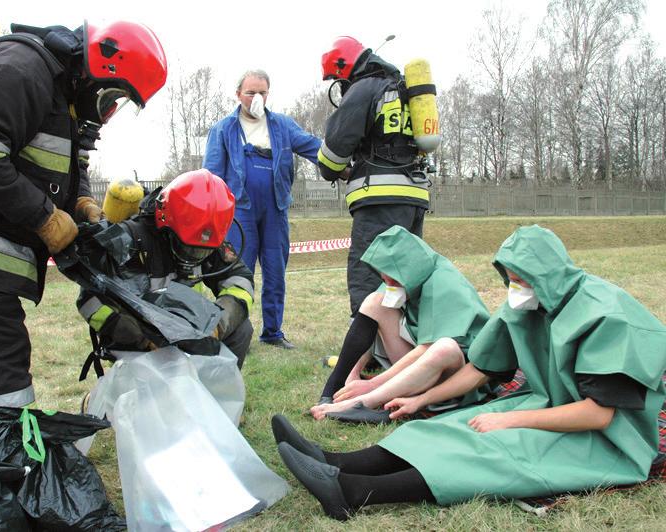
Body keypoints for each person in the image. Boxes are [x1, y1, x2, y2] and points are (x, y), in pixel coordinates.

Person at [272, 225, 666, 521]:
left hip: (607, 438)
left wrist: (509, 419)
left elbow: (598, 414)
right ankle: (335, 460)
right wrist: (421, 399)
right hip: (550, 404)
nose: (513, 290)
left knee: (493, 449)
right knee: (447, 426)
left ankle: (352, 491)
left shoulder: (607, 317)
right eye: (510, 280)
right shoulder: (530, 302)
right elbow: (481, 366)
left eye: (519, 281)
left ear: (544, 277)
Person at [0, 20, 168, 407]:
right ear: (101, 67)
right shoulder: (22, 69)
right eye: (115, 96)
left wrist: (78, 202)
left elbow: (61, 166)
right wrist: (44, 216)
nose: (110, 111)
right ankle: (5, 461)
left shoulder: (64, 95)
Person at [75, 169, 255, 368]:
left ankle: (213, 396)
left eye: (202, 252)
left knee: (242, 329)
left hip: (186, 330)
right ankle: (105, 397)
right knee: (147, 394)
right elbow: (89, 299)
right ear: (165, 224)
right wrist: (142, 338)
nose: (193, 257)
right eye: (188, 248)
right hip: (140, 341)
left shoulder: (203, 234)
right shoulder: (131, 239)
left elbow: (240, 280)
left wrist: (218, 324)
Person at [310, 225, 490, 418]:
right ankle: (335, 385)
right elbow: (368, 320)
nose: (390, 286)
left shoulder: (445, 285)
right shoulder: (404, 273)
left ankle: (363, 403)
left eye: (394, 282)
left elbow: (430, 348)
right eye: (385, 280)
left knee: (445, 347)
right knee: (374, 302)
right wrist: (352, 373)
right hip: (421, 364)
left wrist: (373, 384)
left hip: (458, 373)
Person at [203, 70, 321, 350]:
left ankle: (273, 332)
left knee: (275, 271)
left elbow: (312, 147)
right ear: (238, 94)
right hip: (239, 212)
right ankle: (230, 331)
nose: (256, 97)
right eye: (250, 92)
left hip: (276, 209)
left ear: (269, 94)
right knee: (235, 274)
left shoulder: (282, 126)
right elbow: (211, 176)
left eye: (262, 92)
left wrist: (341, 160)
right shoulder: (224, 129)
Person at [318, 37, 432, 317]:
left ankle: (366, 351)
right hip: (414, 199)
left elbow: (333, 154)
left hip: (379, 202)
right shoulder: (403, 90)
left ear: (343, 70)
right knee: (404, 275)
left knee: (368, 274)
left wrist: (333, 168)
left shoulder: (364, 89)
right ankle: (405, 346)